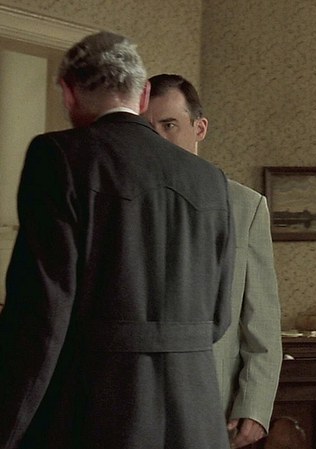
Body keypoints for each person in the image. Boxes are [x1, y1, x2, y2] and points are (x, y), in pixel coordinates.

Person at [0, 32, 234, 449]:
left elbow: (40, 315)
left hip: (98, 411)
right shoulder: (210, 179)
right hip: (197, 416)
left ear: (68, 93)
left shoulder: (59, 156)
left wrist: (8, 426)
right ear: (142, 96)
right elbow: (218, 318)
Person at [144, 73, 283, 448]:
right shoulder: (123, 202)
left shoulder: (245, 206)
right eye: (147, 128)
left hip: (213, 402)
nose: (157, 139)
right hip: (137, 402)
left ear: (199, 128)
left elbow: (262, 319)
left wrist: (254, 405)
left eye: (169, 125)